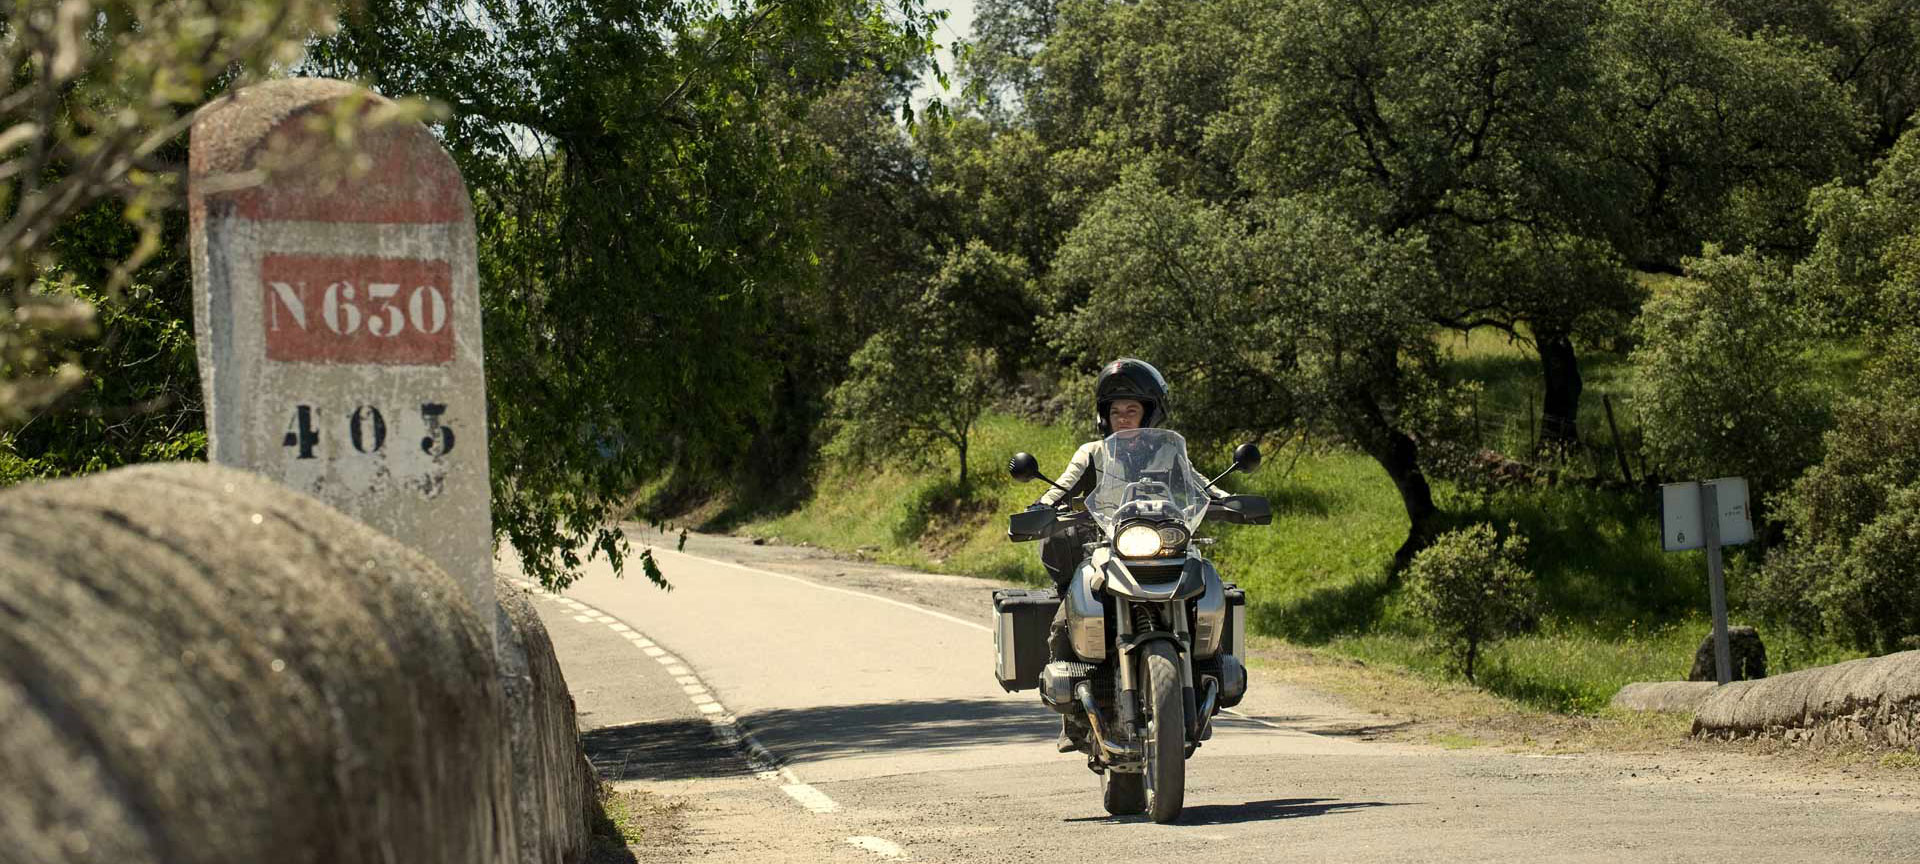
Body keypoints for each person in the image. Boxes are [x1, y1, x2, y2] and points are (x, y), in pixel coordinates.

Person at [1028, 358, 1222, 751]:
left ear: (1149, 413)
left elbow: (1201, 487)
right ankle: (1072, 717)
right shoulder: (1093, 453)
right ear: (1105, 417)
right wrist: (1041, 506)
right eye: (1116, 411)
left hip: (1161, 542)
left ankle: (1206, 683)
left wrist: (1228, 501)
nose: (1124, 418)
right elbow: (1062, 487)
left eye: (1132, 410)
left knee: (1210, 590)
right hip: (1105, 546)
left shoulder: (1169, 453)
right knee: (1070, 613)